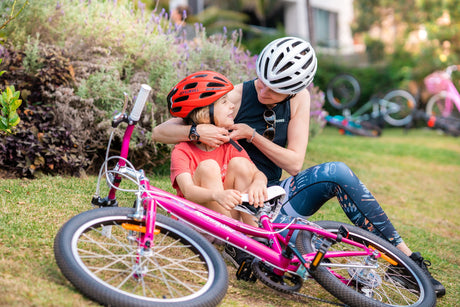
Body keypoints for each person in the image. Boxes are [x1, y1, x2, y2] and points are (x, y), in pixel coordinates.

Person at [153, 37, 445, 296]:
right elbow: (160, 131)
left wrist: (253, 136)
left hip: (271, 196)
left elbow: (294, 163)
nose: (265, 91)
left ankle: (405, 262)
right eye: (263, 82)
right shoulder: (236, 96)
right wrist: (195, 132)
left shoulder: (299, 99)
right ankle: (241, 242)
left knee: (338, 172)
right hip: (234, 197)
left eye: (275, 89)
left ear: (294, 90)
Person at [167, 70, 268, 230]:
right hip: (198, 220)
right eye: (224, 102)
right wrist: (217, 195)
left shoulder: (229, 144)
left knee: (240, 163)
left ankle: (255, 235)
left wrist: (259, 182)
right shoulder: (182, 150)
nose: (232, 105)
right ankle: (234, 240)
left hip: (226, 218)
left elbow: (256, 173)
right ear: (205, 113)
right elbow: (188, 191)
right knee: (208, 167)